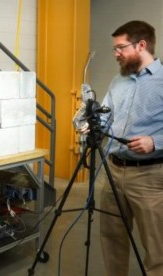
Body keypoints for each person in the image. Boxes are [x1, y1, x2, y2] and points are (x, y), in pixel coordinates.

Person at [99, 20, 163, 276]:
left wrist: (155, 142)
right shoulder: (118, 82)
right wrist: (91, 122)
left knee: (156, 246)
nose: (116, 54)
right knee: (112, 238)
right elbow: (105, 116)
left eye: (120, 48)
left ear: (141, 45)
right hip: (113, 171)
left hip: (149, 176)